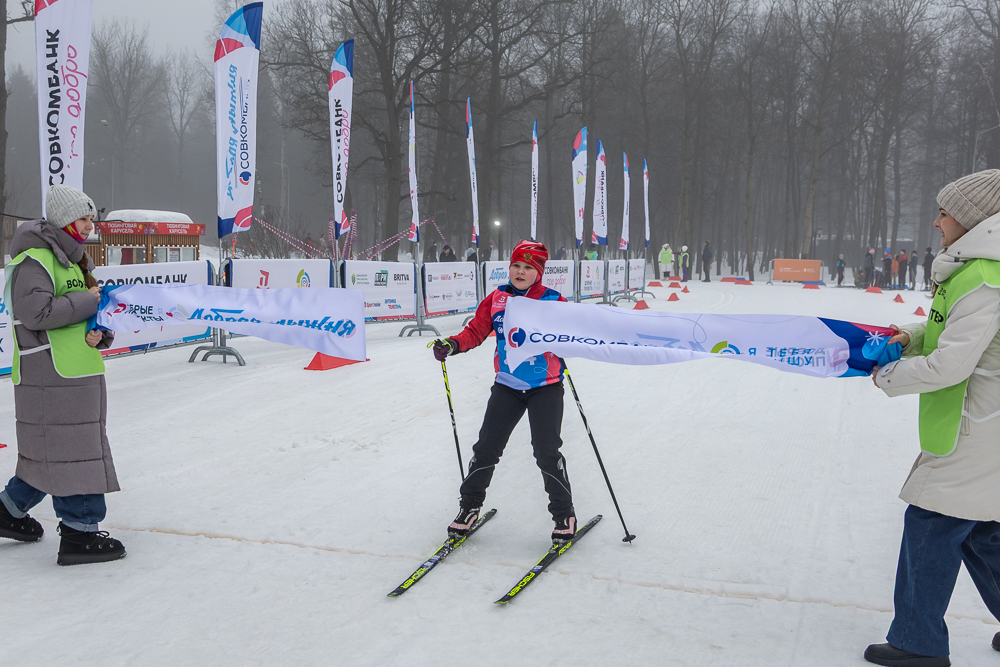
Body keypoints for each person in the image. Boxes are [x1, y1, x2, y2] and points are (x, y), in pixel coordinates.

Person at [868, 169, 1000, 667]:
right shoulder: (977, 271)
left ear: (971, 221)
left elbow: (953, 363)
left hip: (980, 423)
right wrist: (908, 335)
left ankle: (917, 643)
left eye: (944, 212)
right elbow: (952, 330)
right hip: (984, 421)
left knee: (931, 521)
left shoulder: (985, 277)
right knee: (983, 530)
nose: (936, 221)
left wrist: (888, 376)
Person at [0, 184, 126, 565]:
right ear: (62, 220)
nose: (90, 226)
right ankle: (80, 533)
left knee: (53, 451)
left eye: (91, 218)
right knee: (76, 453)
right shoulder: (36, 260)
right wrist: (90, 299)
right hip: (51, 375)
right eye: (83, 219)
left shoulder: (73, 260)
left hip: (71, 372)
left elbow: (79, 317)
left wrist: (99, 331)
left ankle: (8, 510)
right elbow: (36, 313)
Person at [431, 240, 577, 543]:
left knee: (546, 452)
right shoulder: (497, 298)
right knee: (486, 448)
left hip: (545, 387)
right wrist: (453, 344)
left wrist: (567, 343)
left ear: (539, 272)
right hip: (507, 386)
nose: (521, 272)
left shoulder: (553, 300)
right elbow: (476, 330)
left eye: (528, 267)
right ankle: (469, 507)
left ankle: (564, 513)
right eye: (516, 266)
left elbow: (573, 334)